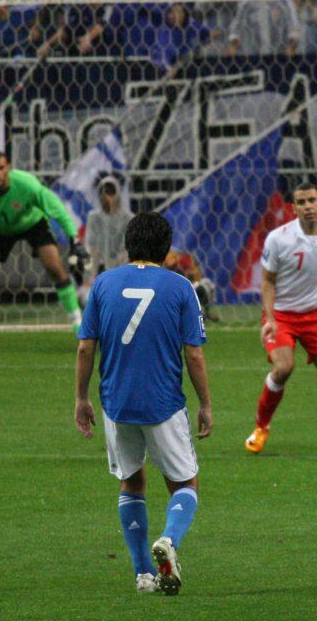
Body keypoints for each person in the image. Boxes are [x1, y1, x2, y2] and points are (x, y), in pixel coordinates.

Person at [74, 211, 211, 595]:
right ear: (166, 250)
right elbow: (194, 354)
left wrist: (81, 397)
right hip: (163, 403)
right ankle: (169, 539)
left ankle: (144, 575)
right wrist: (205, 404)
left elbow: (85, 347)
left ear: (127, 245)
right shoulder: (180, 286)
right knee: (185, 483)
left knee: (131, 480)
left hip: (116, 403)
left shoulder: (103, 283)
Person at [244, 182, 317, 456]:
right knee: (283, 367)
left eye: (312, 200)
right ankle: (261, 428)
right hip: (281, 315)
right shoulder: (278, 239)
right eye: (301, 202)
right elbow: (267, 281)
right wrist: (270, 319)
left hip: (316, 314)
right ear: (294, 208)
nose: (307, 206)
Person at [0, 150, 88, 349]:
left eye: (1, 168)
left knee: (55, 268)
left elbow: (56, 208)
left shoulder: (26, 184)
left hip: (33, 223)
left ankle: (80, 328)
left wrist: (74, 239)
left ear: (9, 168)